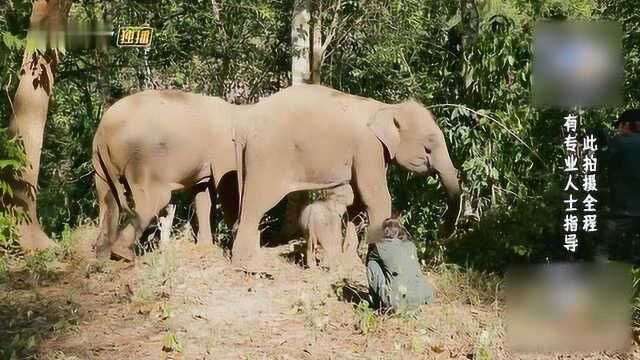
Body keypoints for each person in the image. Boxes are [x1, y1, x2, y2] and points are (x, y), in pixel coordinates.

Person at [366, 217, 433, 313]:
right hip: (422, 296)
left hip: (397, 301)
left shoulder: (379, 246)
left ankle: (377, 303)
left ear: (384, 231)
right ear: (399, 231)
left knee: (372, 264)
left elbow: (369, 259)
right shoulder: (411, 245)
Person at [605, 109, 640, 263]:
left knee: (609, 254)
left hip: (625, 213)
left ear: (626, 125)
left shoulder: (620, 142)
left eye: (618, 126)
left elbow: (596, 162)